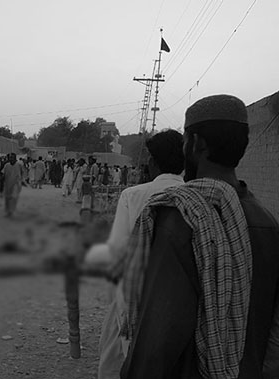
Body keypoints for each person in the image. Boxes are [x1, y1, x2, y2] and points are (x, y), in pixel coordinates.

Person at [114, 95, 279, 378]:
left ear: (196, 143)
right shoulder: (268, 223)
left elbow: (158, 335)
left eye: (185, 141)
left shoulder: (181, 217)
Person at [87, 129, 185, 379]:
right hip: (177, 296)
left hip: (133, 292)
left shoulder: (133, 195)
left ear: (152, 162)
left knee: (115, 356)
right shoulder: (194, 196)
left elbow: (118, 251)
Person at [2, 153, 23, 217]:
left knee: (14, 197)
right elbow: (3, 173)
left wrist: (21, 180)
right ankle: (8, 211)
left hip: (16, 184)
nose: (11, 159)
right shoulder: (6, 165)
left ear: (15, 158)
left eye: (12, 157)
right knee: (8, 198)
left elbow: (22, 172)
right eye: (10, 157)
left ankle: (12, 210)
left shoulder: (19, 165)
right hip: (8, 184)